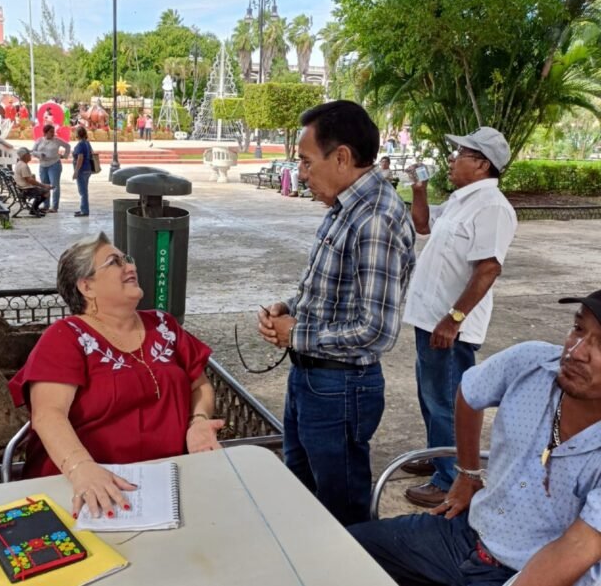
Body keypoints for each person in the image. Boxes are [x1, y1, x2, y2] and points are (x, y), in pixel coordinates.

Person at [349, 289, 601, 586]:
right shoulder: (529, 362)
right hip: (464, 537)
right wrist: (467, 473)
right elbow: (469, 392)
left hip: (531, 572)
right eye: (578, 329)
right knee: (339, 551)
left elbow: (579, 546)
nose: (576, 351)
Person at [257, 100, 416, 526]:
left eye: (307, 162)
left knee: (340, 509)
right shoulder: (345, 207)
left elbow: (376, 330)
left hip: (341, 387)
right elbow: (331, 292)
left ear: (341, 157)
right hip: (313, 378)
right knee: (302, 492)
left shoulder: (375, 219)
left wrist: (297, 335)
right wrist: (288, 310)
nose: (302, 174)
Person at [8, 233, 224, 518]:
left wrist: (198, 422)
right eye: (115, 262)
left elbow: (200, 385)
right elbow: (48, 415)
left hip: (167, 480)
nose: (130, 267)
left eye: (128, 260)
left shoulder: (163, 324)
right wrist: (81, 468)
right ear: (87, 286)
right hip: (85, 488)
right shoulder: (65, 336)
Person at [402, 127, 517, 508]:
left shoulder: (493, 208)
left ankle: (450, 477)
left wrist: (454, 318)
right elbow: (422, 225)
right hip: (429, 317)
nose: (452, 160)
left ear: (482, 164)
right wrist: (418, 189)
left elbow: (487, 269)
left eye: (461, 154)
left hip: (451, 326)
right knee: (430, 394)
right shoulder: (461, 201)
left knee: (448, 401)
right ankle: (440, 456)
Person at [32, 123, 70, 213]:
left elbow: (67, 146)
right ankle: (46, 205)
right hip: (43, 165)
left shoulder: (56, 140)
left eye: (53, 132)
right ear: (45, 132)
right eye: (51, 132)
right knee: (45, 186)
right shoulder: (39, 141)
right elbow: (33, 151)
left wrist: (65, 155)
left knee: (55, 186)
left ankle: (55, 207)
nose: (53, 134)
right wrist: (39, 155)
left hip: (54, 164)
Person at [13, 147, 51, 217]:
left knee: (44, 189)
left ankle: (34, 209)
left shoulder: (19, 163)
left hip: (23, 188)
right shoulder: (23, 166)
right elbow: (30, 180)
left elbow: (29, 178)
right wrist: (43, 185)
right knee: (46, 192)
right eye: (29, 154)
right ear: (24, 156)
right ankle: (34, 209)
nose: (30, 155)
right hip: (26, 190)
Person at [72, 126, 93, 218]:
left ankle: (84, 210)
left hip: (82, 169)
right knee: (84, 190)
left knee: (82, 191)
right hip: (88, 169)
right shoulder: (87, 143)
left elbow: (80, 158)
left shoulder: (80, 145)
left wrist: (76, 171)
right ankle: (83, 208)